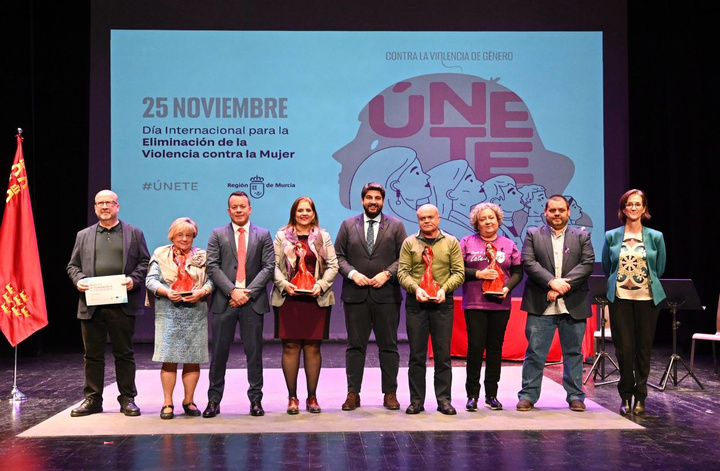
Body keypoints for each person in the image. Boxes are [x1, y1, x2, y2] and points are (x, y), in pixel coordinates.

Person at [66, 189, 150, 417]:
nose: (104, 207)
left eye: (109, 203)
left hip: (122, 304)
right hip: (91, 305)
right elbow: (72, 266)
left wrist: (134, 280)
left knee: (124, 353)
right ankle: (93, 399)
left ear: (117, 206)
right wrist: (79, 280)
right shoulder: (83, 235)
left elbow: (144, 262)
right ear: (95, 207)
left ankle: (127, 399)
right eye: (100, 203)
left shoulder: (134, 233)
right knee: (92, 355)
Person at [516, 195, 594, 412]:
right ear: (545, 212)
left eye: (561, 210)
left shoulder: (582, 236)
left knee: (573, 353)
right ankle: (528, 396)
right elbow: (528, 262)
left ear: (568, 212)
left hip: (573, 303)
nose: (557, 214)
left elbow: (587, 264)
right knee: (535, 352)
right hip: (541, 303)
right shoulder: (533, 234)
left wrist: (561, 286)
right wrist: (551, 282)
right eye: (553, 210)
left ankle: (576, 396)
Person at [335, 182, 407, 411]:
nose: (373, 201)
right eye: (369, 198)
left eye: (377, 198)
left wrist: (387, 274)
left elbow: (404, 258)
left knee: (389, 346)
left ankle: (390, 394)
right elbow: (338, 257)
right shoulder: (347, 225)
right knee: (355, 347)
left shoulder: (396, 226)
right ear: (362, 200)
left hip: (386, 295)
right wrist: (353, 273)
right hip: (355, 295)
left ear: (383, 201)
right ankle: (352, 394)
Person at [203, 191, 275, 418]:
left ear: (250, 208)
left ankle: (256, 400)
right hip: (225, 302)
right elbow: (212, 266)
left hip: (252, 303)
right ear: (229, 210)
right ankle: (213, 401)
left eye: (242, 206)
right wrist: (232, 291)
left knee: (254, 354)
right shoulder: (217, 234)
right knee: (219, 355)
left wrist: (248, 293)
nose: (239, 210)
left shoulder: (263, 234)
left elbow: (269, 267)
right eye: (234, 207)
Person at [602, 189, 666, 416]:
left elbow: (659, 268)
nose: (633, 208)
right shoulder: (611, 236)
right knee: (624, 350)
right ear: (623, 209)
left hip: (648, 300)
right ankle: (625, 396)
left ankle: (641, 397)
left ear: (644, 208)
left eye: (638, 204)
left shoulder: (655, 236)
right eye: (629, 204)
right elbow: (607, 267)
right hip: (620, 299)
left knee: (643, 349)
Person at [272, 196, 338, 414]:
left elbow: (333, 265)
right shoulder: (282, 236)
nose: (304, 214)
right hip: (289, 299)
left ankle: (312, 397)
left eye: (308, 210)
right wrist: (284, 284)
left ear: (313, 213)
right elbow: (273, 265)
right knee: (290, 347)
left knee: (312, 347)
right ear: (294, 213)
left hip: (315, 299)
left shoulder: (323, 236)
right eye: (300, 210)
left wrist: (321, 284)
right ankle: (292, 398)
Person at [397, 204, 464, 415]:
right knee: (417, 355)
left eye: (430, 217)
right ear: (418, 221)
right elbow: (402, 273)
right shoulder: (409, 243)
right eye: (422, 218)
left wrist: (444, 289)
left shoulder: (451, 242)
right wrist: (415, 289)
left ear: (438, 218)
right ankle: (416, 400)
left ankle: (444, 400)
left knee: (443, 354)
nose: (426, 221)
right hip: (416, 303)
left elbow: (459, 273)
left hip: (443, 303)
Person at [146, 217, 214, 420]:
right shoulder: (160, 253)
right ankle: (167, 402)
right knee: (169, 359)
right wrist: (166, 292)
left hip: (196, 311)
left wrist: (202, 291)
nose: (184, 239)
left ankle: (189, 401)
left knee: (193, 359)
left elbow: (212, 280)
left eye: (188, 235)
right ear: (172, 236)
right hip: (168, 310)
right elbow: (150, 280)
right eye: (180, 235)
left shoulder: (203, 255)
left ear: (194, 236)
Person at [460, 202, 523, 412]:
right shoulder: (467, 242)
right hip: (474, 303)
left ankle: (492, 395)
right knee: (475, 348)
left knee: (495, 350)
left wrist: (507, 288)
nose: (488, 221)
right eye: (483, 218)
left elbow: (517, 272)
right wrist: (479, 274)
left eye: (491, 218)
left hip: (500, 303)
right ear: (476, 223)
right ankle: (472, 395)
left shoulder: (508, 244)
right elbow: (458, 270)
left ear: (498, 221)